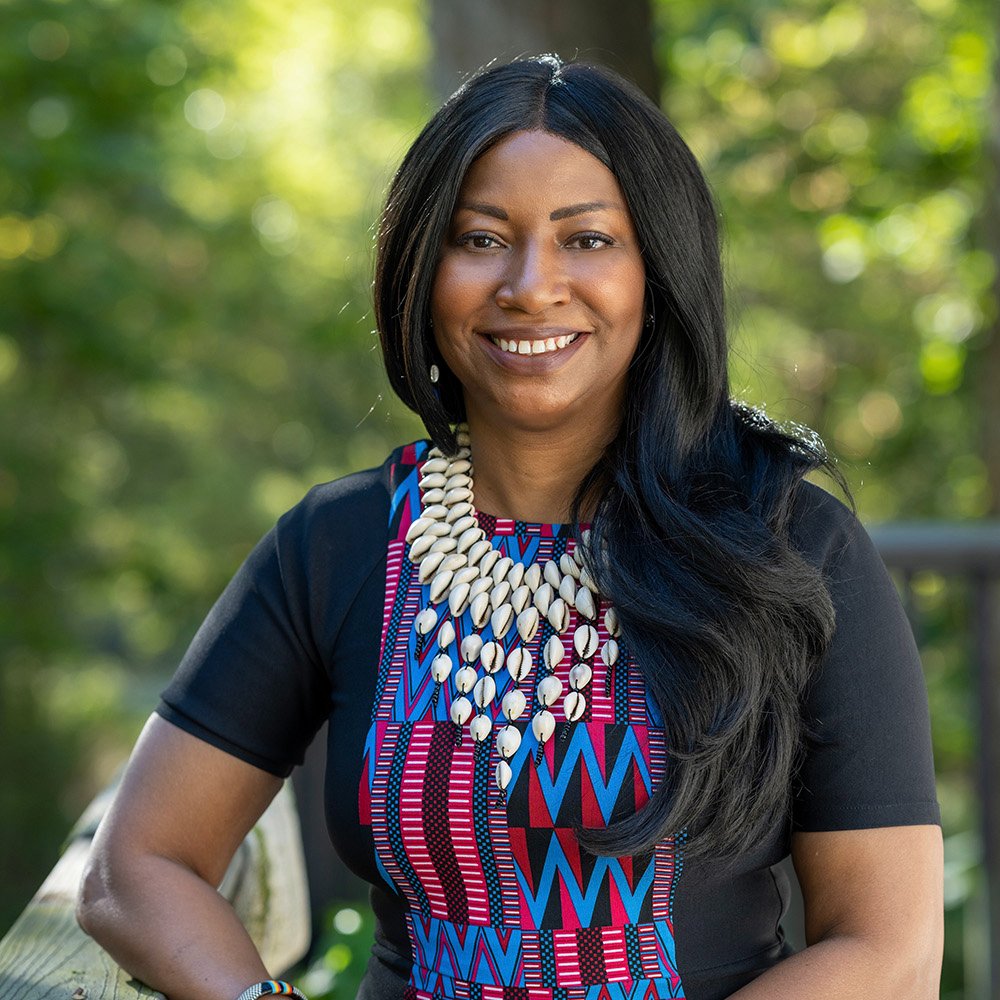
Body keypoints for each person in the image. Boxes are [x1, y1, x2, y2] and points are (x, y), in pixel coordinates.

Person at [77, 54, 943, 1000]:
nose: (532, 286)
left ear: (659, 270)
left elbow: (888, 953)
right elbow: (136, 870)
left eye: (589, 240)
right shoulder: (341, 545)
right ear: (421, 269)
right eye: (482, 239)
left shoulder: (788, 548)